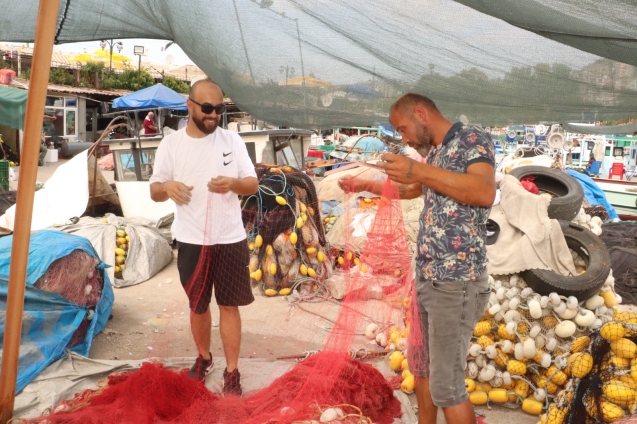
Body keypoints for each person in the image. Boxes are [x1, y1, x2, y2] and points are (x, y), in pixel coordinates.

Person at [338, 93, 496, 424]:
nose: (404, 138)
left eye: (403, 128)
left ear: (421, 114)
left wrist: (418, 171)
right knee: (421, 368)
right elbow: (415, 189)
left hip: (458, 283)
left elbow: (483, 191)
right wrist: (364, 183)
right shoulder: (436, 153)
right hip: (427, 279)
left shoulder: (471, 138)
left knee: (447, 386)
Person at [149, 79, 258, 395]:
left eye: (219, 109)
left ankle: (232, 372)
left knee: (229, 305)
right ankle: (204, 358)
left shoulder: (231, 141)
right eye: (207, 109)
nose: (213, 116)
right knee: (198, 305)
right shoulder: (171, 145)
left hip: (229, 239)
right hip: (191, 239)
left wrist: (232, 184)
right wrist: (168, 187)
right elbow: (155, 190)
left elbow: (251, 184)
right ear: (190, 104)